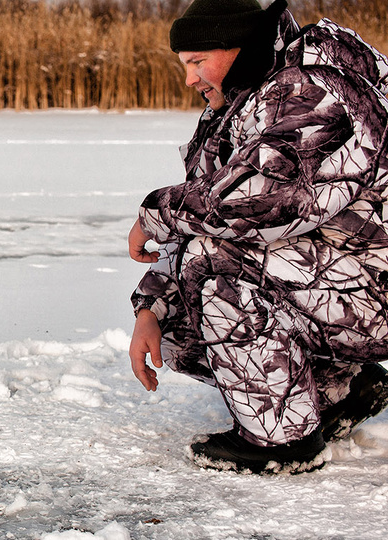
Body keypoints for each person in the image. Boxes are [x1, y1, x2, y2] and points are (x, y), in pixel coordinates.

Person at [127, 0, 388, 474]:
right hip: (347, 280)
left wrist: (154, 213)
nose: (189, 79)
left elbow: (260, 204)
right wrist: (151, 308)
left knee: (214, 262)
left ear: (241, 49)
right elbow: (207, 219)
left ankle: (282, 443)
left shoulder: (312, 91)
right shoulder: (242, 102)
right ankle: (339, 392)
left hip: (376, 285)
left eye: (197, 62)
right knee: (179, 330)